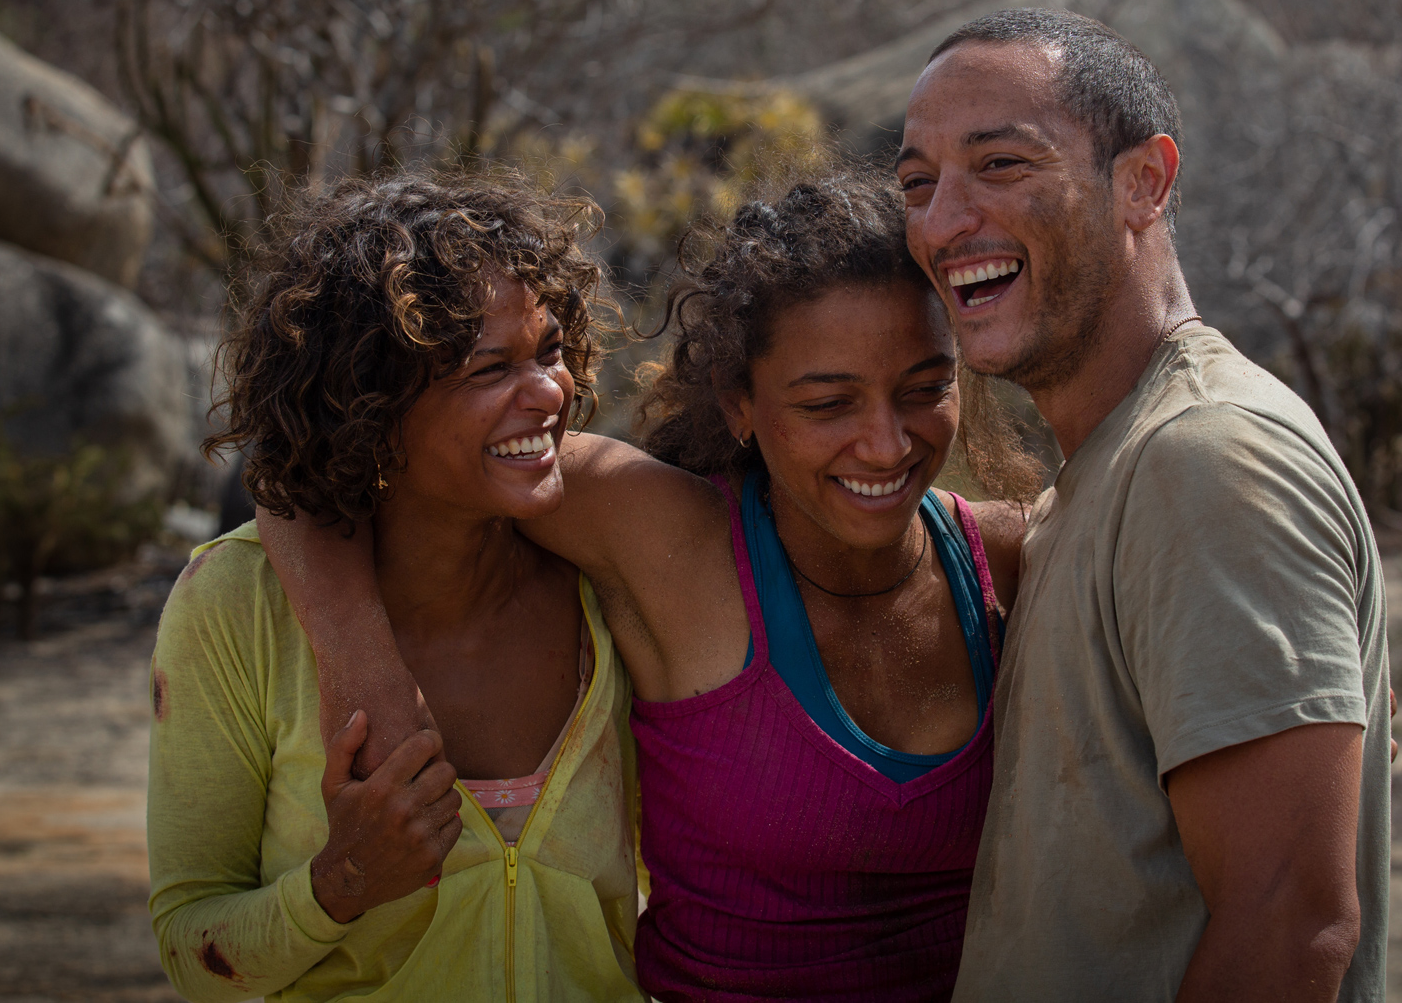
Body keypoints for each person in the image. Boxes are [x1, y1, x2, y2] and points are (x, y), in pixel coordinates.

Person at [259, 172, 1038, 1001]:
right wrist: (361, 664)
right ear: (740, 404)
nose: (886, 445)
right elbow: (322, 464)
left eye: (926, 389)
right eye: (827, 404)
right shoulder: (661, 535)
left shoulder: (1008, 559)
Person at [893, 8, 1393, 1002]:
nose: (943, 219)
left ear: (1143, 182)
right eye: (917, 182)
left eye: (999, 164)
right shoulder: (1108, 468)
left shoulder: (1203, 457)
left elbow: (1291, 921)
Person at [146, 175, 644, 1002]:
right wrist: (340, 880)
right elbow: (186, 941)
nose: (552, 394)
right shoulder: (236, 605)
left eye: (549, 351)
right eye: (491, 368)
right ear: (370, 407)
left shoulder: (604, 576)